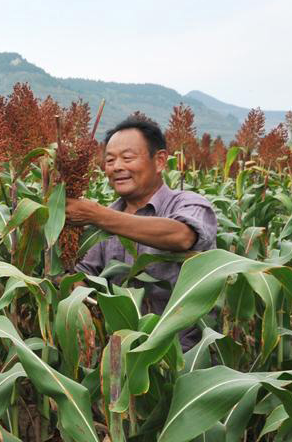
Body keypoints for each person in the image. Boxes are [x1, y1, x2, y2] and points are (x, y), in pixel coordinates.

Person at [64, 116, 218, 350]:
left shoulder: (189, 204)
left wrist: (97, 215)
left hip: (184, 355)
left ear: (159, 161)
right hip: (122, 356)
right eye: (110, 160)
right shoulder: (102, 228)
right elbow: (83, 276)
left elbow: (182, 236)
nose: (116, 167)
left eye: (127, 158)